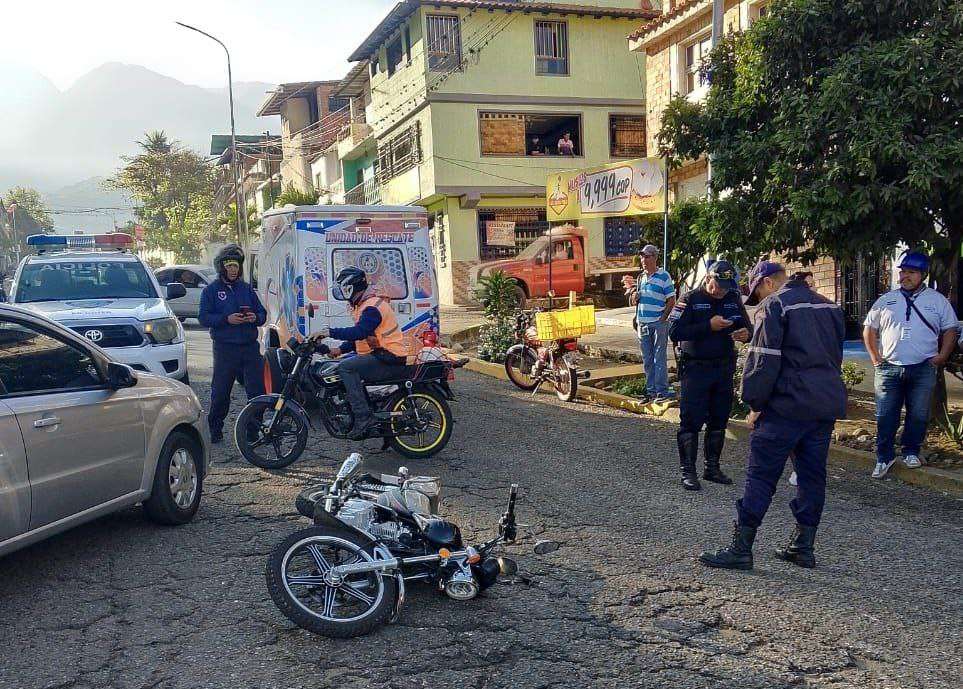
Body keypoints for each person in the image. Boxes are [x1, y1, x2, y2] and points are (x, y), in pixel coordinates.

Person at [699, 263, 845, 571]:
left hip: (786, 406)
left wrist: (754, 403)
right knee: (811, 476)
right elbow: (834, 357)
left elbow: (763, 359)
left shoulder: (775, 305)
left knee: (761, 476)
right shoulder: (830, 306)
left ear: (767, 282)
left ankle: (742, 547)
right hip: (823, 404)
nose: (757, 300)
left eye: (757, 292)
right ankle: (803, 546)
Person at [863, 251, 958, 478]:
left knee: (918, 414)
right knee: (886, 415)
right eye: (903, 272)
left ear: (922, 275)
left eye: (911, 272)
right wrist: (876, 358)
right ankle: (884, 457)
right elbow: (869, 329)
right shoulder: (886, 300)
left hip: (923, 367)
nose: (905, 276)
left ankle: (911, 451)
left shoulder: (936, 300)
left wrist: (942, 356)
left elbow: (951, 330)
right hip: (889, 369)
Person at [668, 260, 751, 491]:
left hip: (723, 368)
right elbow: (674, 331)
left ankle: (712, 468)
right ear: (708, 279)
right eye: (718, 284)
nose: (721, 289)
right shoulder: (690, 299)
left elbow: (748, 327)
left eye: (726, 285)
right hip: (696, 369)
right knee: (691, 421)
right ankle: (688, 472)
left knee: (719, 419)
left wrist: (746, 334)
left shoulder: (732, 298)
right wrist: (708, 326)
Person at [318, 267, 412, 440]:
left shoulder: (371, 307)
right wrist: (339, 350)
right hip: (381, 354)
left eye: (342, 287)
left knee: (346, 368)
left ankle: (363, 417)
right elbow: (362, 338)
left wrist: (329, 332)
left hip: (390, 357)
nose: (340, 291)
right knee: (343, 363)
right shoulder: (364, 305)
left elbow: (360, 332)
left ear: (350, 287)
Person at [198, 244, 267, 445]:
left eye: (236, 266)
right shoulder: (211, 291)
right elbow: (203, 317)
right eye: (229, 265)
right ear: (222, 267)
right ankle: (215, 429)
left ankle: (253, 432)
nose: (233, 269)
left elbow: (262, 315)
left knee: (257, 392)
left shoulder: (246, 289)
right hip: (225, 349)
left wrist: (255, 317)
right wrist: (226, 319)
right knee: (220, 393)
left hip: (249, 348)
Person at [625, 244, 676, 402]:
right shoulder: (641, 277)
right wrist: (635, 296)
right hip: (643, 323)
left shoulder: (663, 276)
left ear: (654, 258)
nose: (643, 260)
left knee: (658, 358)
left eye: (647, 256)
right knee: (647, 359)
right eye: (642, 257)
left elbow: (671, 299)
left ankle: (662, 391)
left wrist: (663, 318)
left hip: (658, 322)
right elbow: (634, 301)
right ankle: (651, 391)